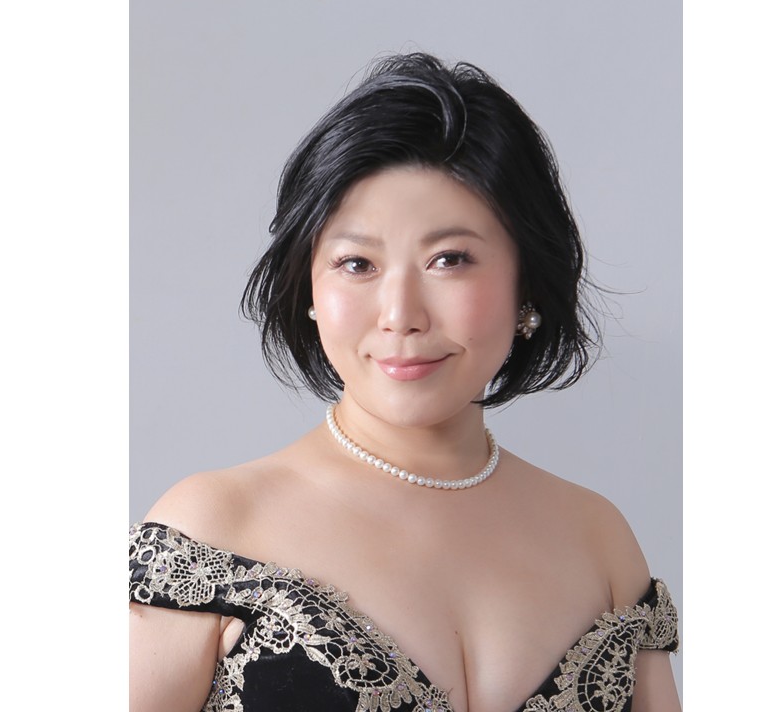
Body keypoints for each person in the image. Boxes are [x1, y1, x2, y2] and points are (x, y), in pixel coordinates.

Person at [129, 53, 681, 712]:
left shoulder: (599, 540)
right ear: (309, 288)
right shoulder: (212, 530)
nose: (400, 315)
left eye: (449, 259)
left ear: (527, 282)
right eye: (356, 263)